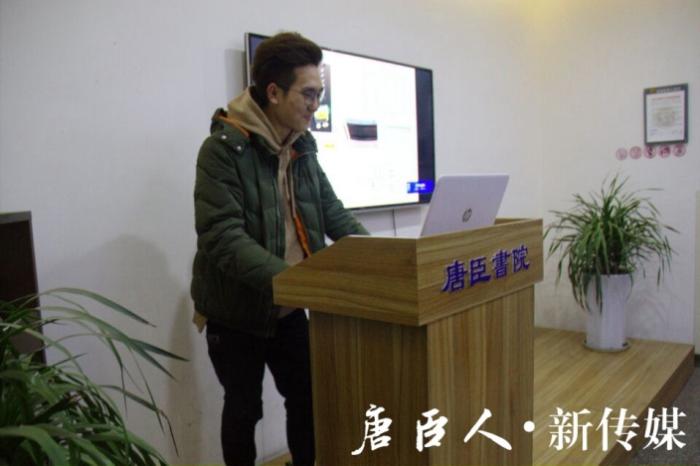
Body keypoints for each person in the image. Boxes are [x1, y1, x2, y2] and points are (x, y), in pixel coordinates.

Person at [190, 32, 368, 466]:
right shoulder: (222, 150)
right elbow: (222, 237)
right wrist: (294, 281)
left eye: (319, 94)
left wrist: (383, 254)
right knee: (244, 410)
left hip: (289, 307)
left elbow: (332, 212)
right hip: (235, 313)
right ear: (273, 92)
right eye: (308, 94)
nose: (316, 105)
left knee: (307, 400)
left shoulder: (301, 145)